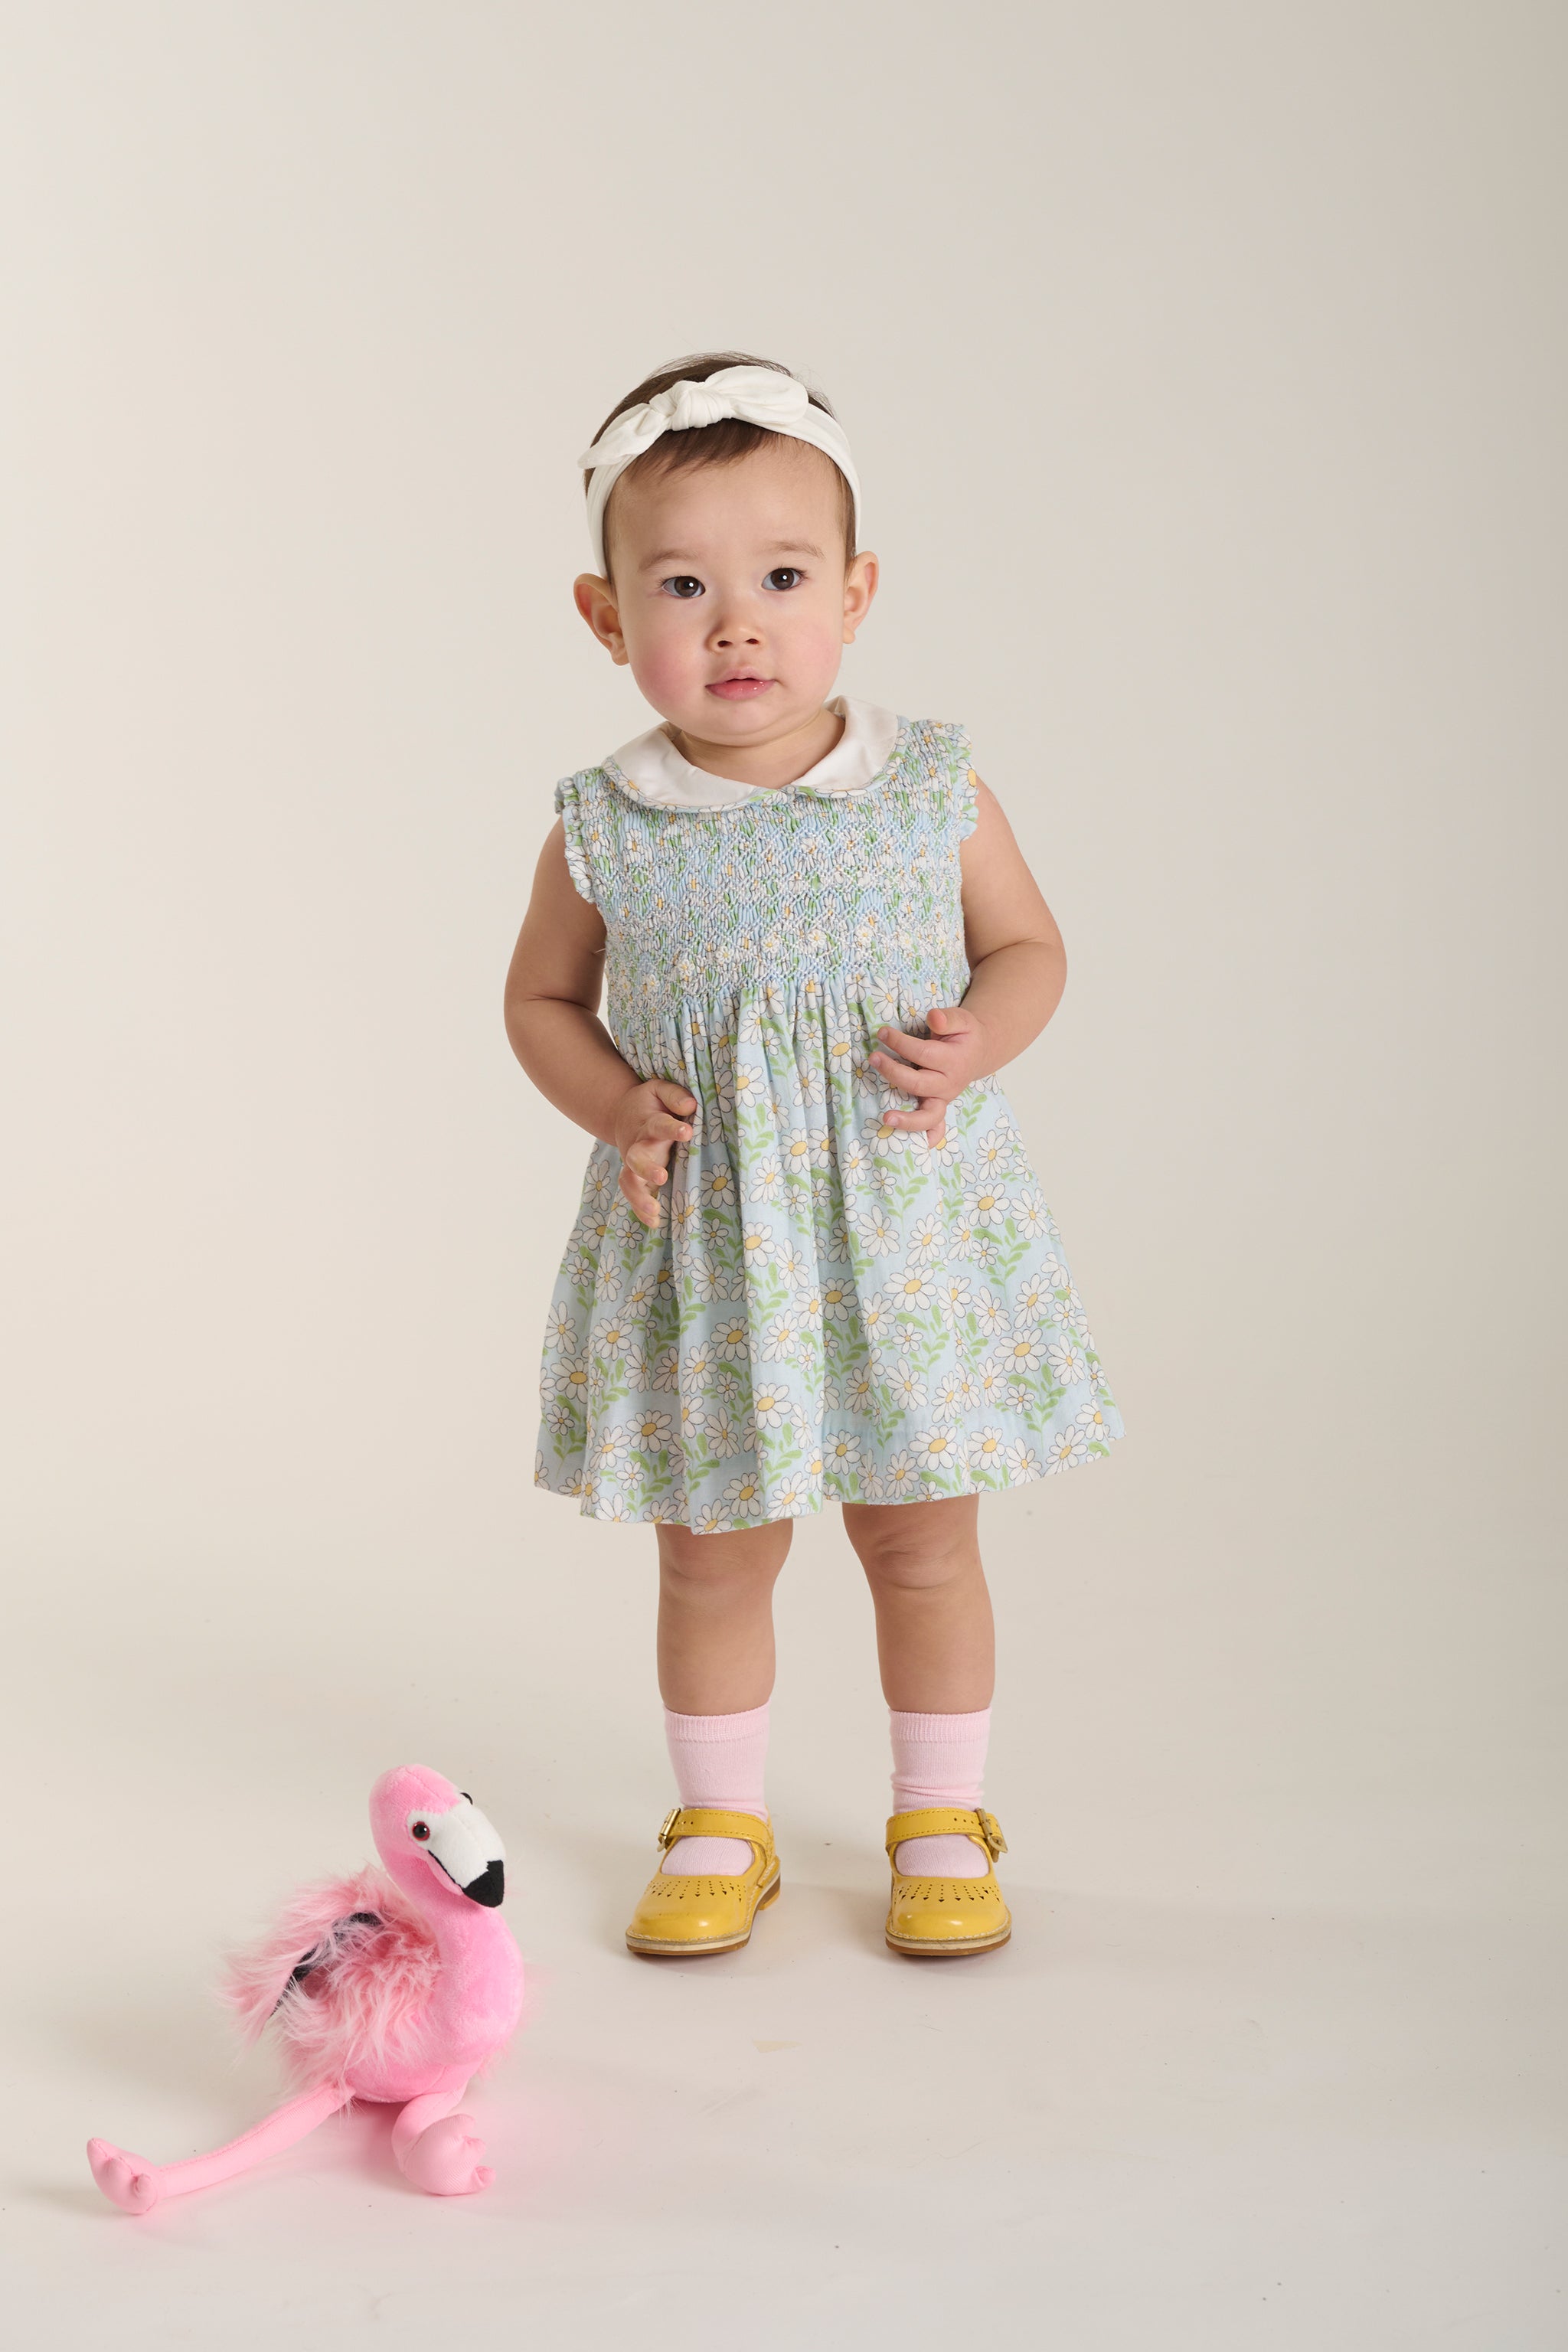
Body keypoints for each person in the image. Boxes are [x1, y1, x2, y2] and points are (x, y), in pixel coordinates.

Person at [504, 352, 1124, 1961]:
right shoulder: (606, 819)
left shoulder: (929, 786)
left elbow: (1030, 950)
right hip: (710, 1239)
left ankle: (939, 1810)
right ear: (602, 614)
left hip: (897, 1228)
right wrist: (613, 1102)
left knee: (920, 1535)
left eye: (781, 579)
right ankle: (721, 1817)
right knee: (712, 1552)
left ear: (853, 593)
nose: (735, 624)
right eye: (683, 585)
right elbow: (540, 998)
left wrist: (982, 1034)